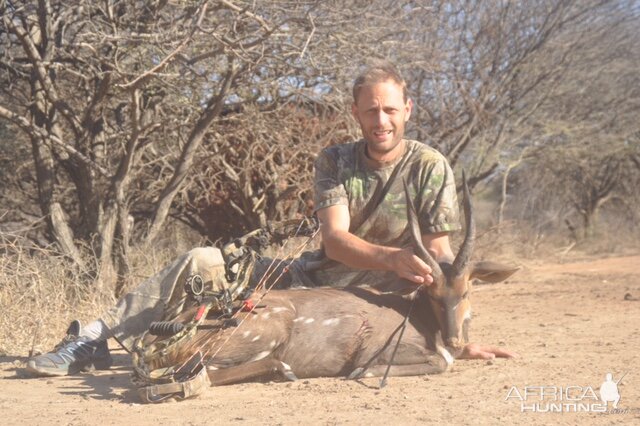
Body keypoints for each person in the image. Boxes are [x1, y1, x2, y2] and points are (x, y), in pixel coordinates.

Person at [26, 61, 512, 377]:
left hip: (382, 297)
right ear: (355, 114)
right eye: (370, 111)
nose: (380, 121)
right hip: (313, 277)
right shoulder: (335, 160)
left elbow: (442, 252)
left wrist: (457, 333)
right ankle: (92, 339)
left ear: (407, 109)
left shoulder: (430, 165)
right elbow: (337, 241)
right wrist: (393, 256)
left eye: (389, 110)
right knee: (201, 260)